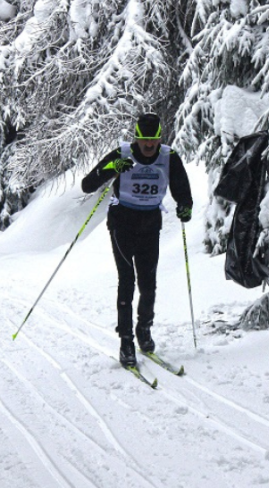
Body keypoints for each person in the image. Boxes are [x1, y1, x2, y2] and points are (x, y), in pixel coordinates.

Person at [81, 113, 193, 368]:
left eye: (154, 140)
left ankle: (144, 329)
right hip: (122, 223)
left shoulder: (169, 157)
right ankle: (126, 340)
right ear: (137, 137)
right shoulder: (122, 154)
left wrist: (185, 206)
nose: (150, 145)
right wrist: (111, 168)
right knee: (127, 280)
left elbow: (181, 187)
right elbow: (88, 185)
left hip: (150, 224)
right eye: (145, 140)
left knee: (148, 282)